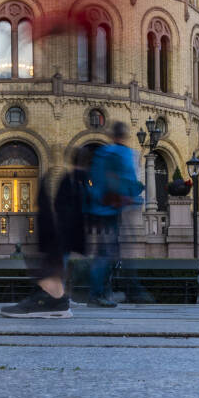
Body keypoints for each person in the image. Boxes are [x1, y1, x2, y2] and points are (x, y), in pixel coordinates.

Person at [0, 146, 91, 318]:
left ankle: (52, 298)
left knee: (54, 261)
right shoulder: (77, 180)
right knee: (54, 261)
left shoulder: (73, 180)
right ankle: (54, 298)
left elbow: (64, 205)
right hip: (67, 232)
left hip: (64, 232)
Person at [85, 122, 144, 307]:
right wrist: (137, 194)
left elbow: (93, 180)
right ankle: (99, 293)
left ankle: (101, 291)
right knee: (110, 252)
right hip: (112, 210)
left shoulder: (102, 153)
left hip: (98, 209)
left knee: (104, 251)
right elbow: (129, 181)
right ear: (123, 136)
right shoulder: (123, 154)